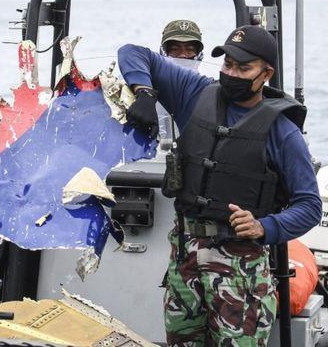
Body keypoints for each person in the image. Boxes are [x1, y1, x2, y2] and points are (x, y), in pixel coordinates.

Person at [118, 25, 322, 345]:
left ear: (265, 73)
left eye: (243, 68)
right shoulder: (195, 92)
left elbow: (310, 206)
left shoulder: (283, 133)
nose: (232, 73)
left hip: (241, 273)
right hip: (184, 264)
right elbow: (133, 52)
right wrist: (144, 91)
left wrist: (264, 226)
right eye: (228, 64)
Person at [156, 19, 205, 140]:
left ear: (199, 55)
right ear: (163, 53)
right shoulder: (146, 90)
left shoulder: (209, 92)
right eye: (175, 49)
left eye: (189, 49)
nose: (183, 55)